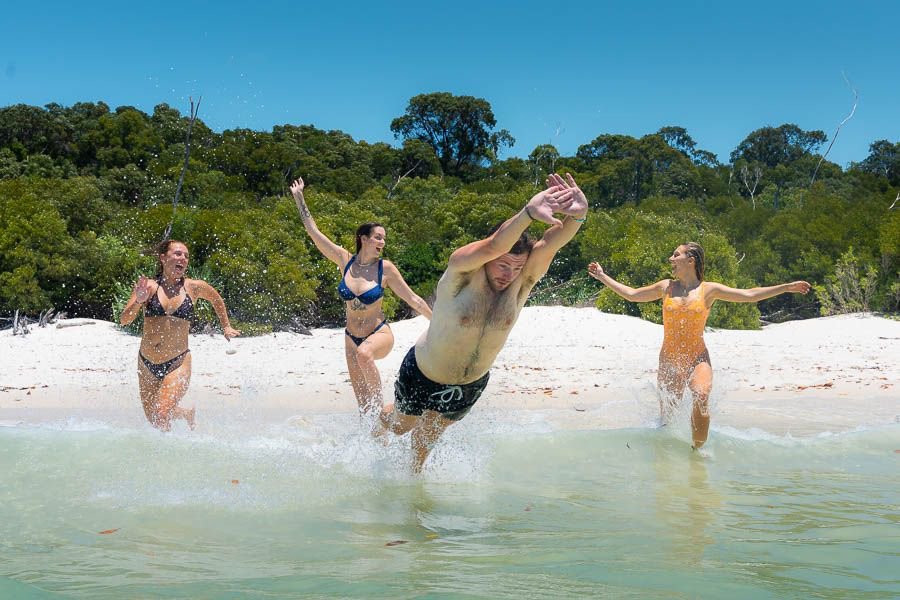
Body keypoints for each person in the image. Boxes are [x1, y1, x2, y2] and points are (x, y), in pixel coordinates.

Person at [381, 173, 588, 472]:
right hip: (424, 373)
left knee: (426, 439)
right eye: (503, 265)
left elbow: (550, 244)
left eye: (516, 267)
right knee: (402, 425)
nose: (509, 273)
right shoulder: (461, 273)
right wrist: (528, 213)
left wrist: (579, 215)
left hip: (470, 383)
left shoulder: (522, 283)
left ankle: (411, 494)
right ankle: (378, 422)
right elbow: (493, 246)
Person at [587, 242, 810, 448]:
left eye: (676, 255)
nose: (670, 259)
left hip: (697, 357)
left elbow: (749, 295)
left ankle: (698, 454)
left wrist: (786, 287)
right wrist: (603, 277)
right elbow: (632, 295)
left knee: (701, 395)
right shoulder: (666, 287)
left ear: (690, 260)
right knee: (668, 419)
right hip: (669, 360)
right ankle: (665, 457)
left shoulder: (709, 290)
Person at [290, 177, 432, 414]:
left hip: (379, 334)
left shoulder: (385, 269)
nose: (382, 242)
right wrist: (299, 197)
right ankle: (377, 439)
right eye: (378, 237)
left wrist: (438, 323)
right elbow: (313, 232)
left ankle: (383, 411)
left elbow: (414, 299)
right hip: (350, 338)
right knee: (363, 409)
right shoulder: (344, 260)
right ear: (363, 239)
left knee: (365, 355)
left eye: (384, 238)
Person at [119, 239, 240, 430]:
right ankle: (185, 413)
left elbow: (216, 299)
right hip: (146, 362)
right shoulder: (149, 287)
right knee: (153, 418)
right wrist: (138, 301)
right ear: (162, 258)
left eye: (186, 256)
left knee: (161, 416)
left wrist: (226, 326)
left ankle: (164, 458)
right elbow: (124, 320)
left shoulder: (193, 287)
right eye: (177, 254)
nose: (182, 258)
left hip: (178, 362)